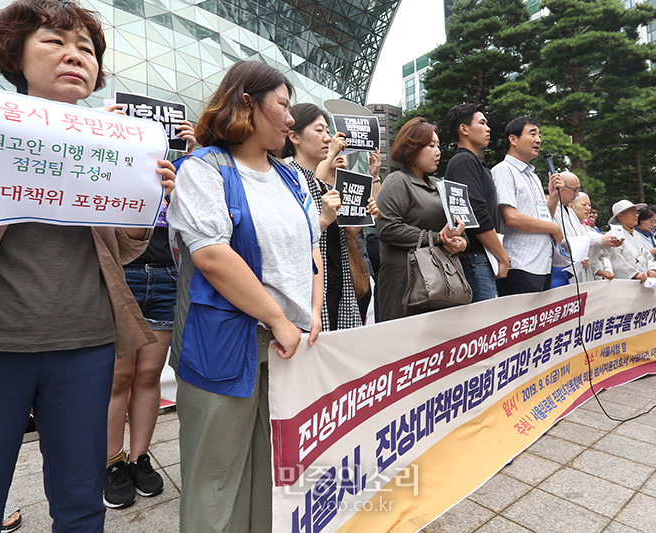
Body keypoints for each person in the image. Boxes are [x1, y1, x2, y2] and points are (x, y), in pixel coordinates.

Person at [0, 1, 176, 530]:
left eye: (87, 49)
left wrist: (144, 196)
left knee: (80, 499)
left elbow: (127, 249)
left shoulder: (112, 148)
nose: (75, 56)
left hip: (85, 343)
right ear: (14, 56)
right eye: (55, 42)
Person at [166, 60, 323, 533]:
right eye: (283, 105)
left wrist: (312, 312)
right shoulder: (203, 170)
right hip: (225, 342)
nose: (290, 118)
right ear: (248, 103)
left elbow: (311, 250)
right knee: (214, 475)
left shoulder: (293, 177)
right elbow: (213, 257)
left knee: (271, 470)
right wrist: (278, 318)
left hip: (287, 344)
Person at [103, 121, 196, 508]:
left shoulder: (183, 168)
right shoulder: (114, 164)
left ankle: (140, 458)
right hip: (121, 274)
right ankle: (111, 462)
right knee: (117, 378)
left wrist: (190, 159)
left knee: (148, 374)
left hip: (166, 277)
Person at [282, 105, 379, 330]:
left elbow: (342, 237)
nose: (327, 138)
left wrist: (363, 218)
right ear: (294, 136)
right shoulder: (287, 178)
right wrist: (324, 219)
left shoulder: (325, 185)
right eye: (319, 131)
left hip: (338, 282)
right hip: (311, 287)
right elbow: (291, 238)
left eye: (327, 131)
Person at [376, 117, 467, 321]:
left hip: (442, 284)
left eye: (438, 145)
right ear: (412, 148)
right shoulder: (397, 181)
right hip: (406, 285)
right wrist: (438, 237)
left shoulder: (440, 185)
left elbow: (457, 228)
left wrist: (460, 243)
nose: (438, 151)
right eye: (430, 145)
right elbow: (388, 228)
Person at [491, 116, 564, 295]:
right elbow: (511, 217)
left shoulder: (534, 177)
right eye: (532, 134)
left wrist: (553, 198)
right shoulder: (503, 170)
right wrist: (554, 228)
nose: (538, 140)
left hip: (542, 265)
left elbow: (542, 218)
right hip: (519, 265)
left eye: (539, 135)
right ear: (513, 139)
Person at [444, 103, 509, 301]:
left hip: (481, 258)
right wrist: (503, 257)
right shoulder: (464, 162)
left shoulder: (474, 162)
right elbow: (476, 214)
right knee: (484, 326)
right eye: (482, 123)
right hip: (476, 258)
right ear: (463, 129)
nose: (488, 128)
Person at [555, 175, 621, 282]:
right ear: (561, 187)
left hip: (581, 269)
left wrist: (607, 241)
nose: (576, 194)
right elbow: (563, 241)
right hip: (565, 270)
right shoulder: (554, 211)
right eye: (575, 190)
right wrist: (599, 241)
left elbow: (584, 239)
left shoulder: (570, 213)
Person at [607, 200, 656, 283]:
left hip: (643, 280)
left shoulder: (635, 235)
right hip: (626, 284)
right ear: (620, 216)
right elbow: (616, 260)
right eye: (632, 213)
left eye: (637, 212)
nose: (636, 215)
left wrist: (651, 269)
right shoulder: (613, 235)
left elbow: (646, 255)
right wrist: (633, 274)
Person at [571, 193, 616, 280]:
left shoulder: (587, 229)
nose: (588, 208)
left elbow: (596, 257)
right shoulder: (568, 226)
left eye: (589, 205)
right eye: (584, 205)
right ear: (571, 206)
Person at [634, 205, 656, 271]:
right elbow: (633, 258)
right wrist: (652, 251)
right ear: (641, 220)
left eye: (655, 222)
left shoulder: (651, 237)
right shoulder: (634, 235)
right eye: (651, 221)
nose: (654, 225)